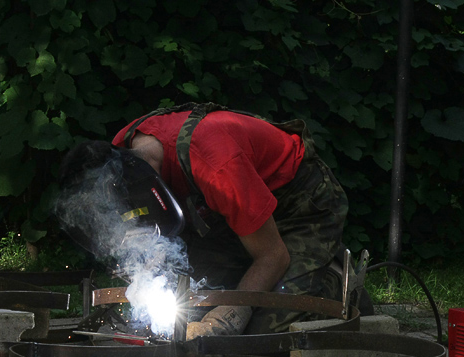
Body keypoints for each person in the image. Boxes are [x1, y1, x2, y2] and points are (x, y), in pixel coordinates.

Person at [59, 103, 348, 338]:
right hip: (235, 209)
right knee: (190, 309)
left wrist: (228, 317)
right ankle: (252, 269)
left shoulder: (217, 168)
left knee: (264, 334)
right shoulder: (123, 149)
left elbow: (273, 256)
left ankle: (332, 280)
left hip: (300, 202)